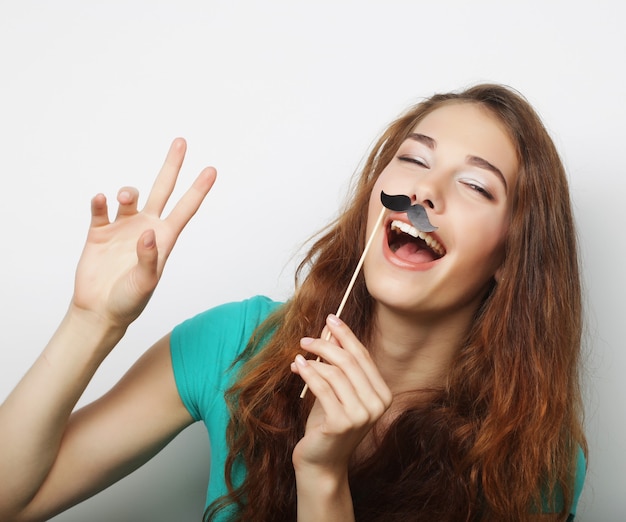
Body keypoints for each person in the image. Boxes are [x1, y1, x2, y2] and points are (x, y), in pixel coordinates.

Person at [0, 83, 587, 522]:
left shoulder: (533, 458)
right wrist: (90, 321)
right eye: (414, 159)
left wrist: (323, 477)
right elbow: (13, 500)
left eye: (476, 185)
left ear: (513, 255)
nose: (423, 193)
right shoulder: (236, 344)